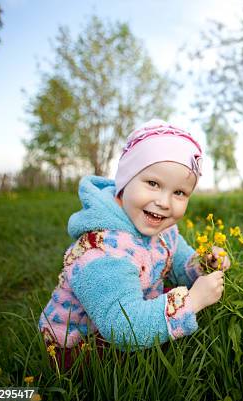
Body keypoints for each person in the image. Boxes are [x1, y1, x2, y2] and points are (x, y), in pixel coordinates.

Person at [39, 119, 229, 367]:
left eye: (179, 192)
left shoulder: (164, 228)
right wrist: (192, 302)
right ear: (125, 180)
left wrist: (204, 263)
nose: (164, 201)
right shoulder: (102, 251)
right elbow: (122, 328)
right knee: (156, 336)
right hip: (78, 347)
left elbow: (181, 263)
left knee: (176, 300)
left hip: (123, 314)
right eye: (153, 184)